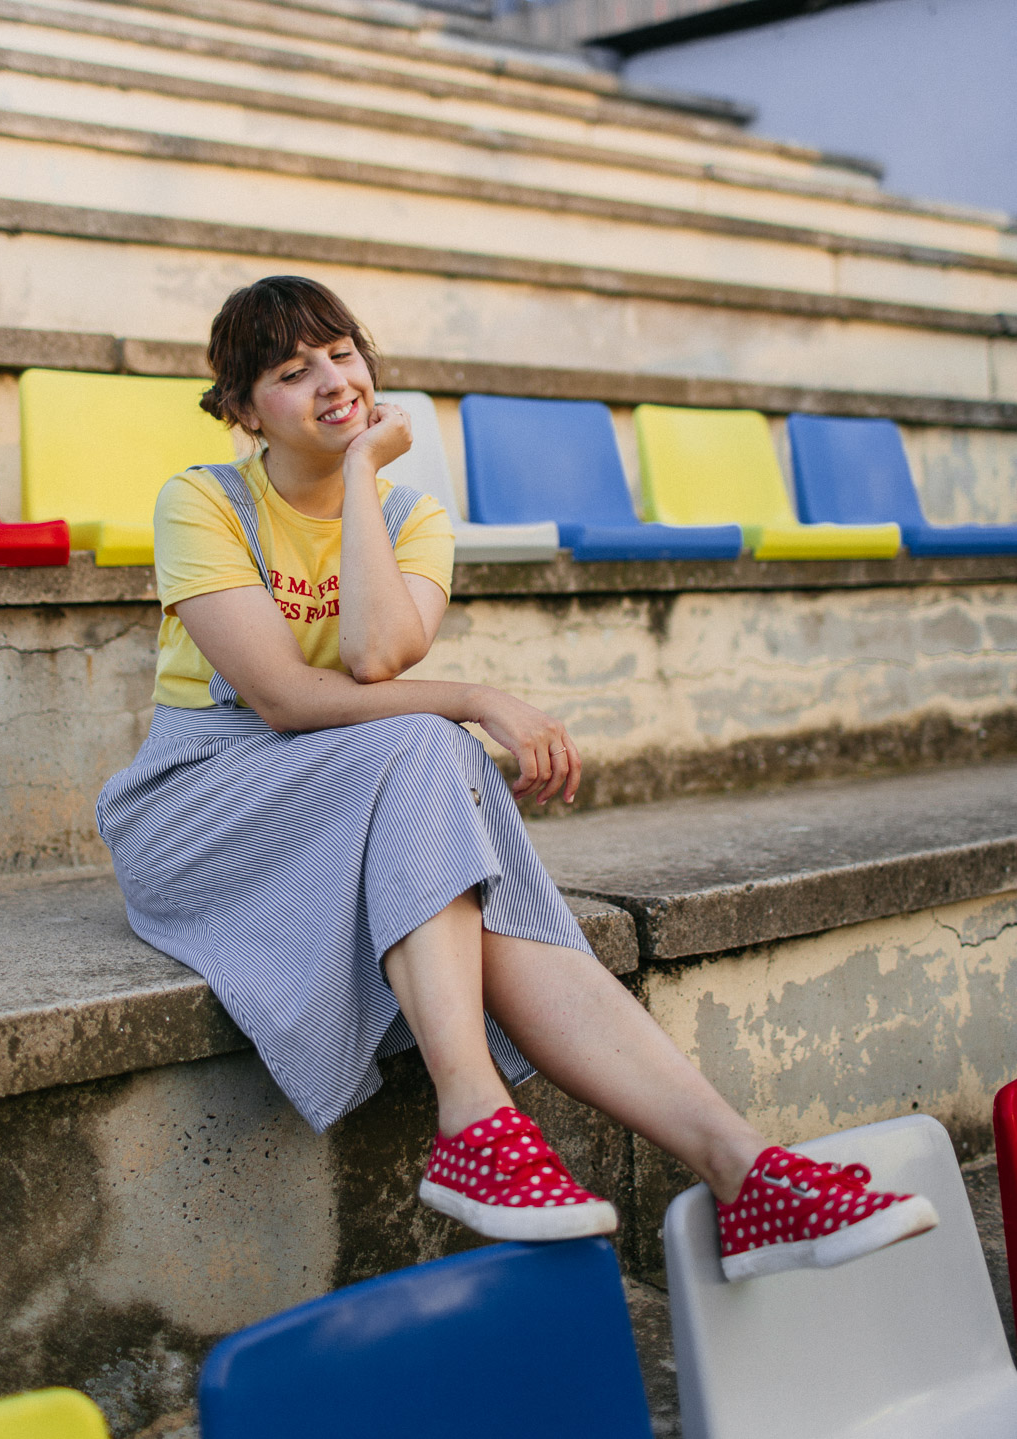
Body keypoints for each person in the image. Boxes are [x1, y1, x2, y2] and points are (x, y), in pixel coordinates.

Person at [97, 275, 937, 1280]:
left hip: (348, 783)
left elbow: (370, 658)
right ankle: (475, 1115)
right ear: (240, 409)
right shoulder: (204, 498)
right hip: (201, 804)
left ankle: (742, 1166)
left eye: (343, 354)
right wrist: (476, 694)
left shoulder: (410, 515)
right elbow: (281, 697)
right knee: (432, 743)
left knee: (453, 812)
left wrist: (359, 473)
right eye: (290, 371)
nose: (332, 380)